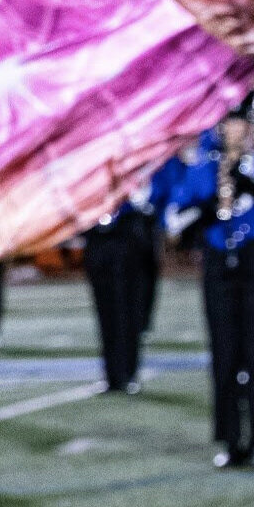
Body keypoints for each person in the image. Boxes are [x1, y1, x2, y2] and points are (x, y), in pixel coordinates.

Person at [164, 110, 254, 467]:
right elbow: (174, 218)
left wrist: (249, 181)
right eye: (231, 124)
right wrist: (207, 208)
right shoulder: (203, 169)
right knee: (224, 355)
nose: (237, 131)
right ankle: (230, 440)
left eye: (243, 124)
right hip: (219, 262)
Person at [83, 159, 180, 393]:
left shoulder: (138, 155)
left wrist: (140, 193)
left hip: (128, 234)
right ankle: (111, 375)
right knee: (105, 310)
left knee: (128, 309)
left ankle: (129, 372)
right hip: (98, 237)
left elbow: (161, 190)